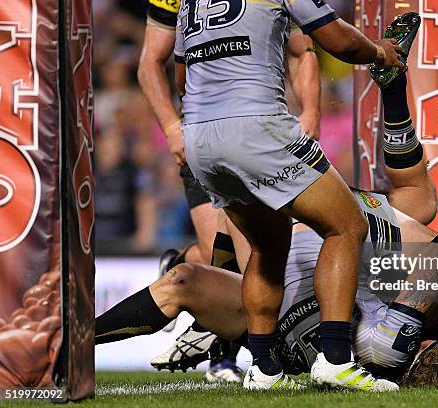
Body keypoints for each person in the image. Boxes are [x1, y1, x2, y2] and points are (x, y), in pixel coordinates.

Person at [96, 14, 438, 387]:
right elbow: (321, 42)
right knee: (419, 227)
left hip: (209, 145)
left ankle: (80, 341)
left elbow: (172, 69)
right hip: (293, 218)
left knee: (188, 275)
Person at [173, 1, 404, 391]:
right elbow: (337, 40)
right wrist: (380, 52)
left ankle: (264, 368)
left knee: (266, 245)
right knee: (346, 225)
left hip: (198, 136)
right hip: (256, 126)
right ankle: (335, 359)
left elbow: (182, 74)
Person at [137, 0, 323, 382]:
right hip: (203, 134)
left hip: (262, 132)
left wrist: (311, 112)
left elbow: (302, 49)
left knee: (241, 254)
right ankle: (240, 357)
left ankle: (234, 348)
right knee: (235, 256)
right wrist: (173, 128)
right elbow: (151, 63)